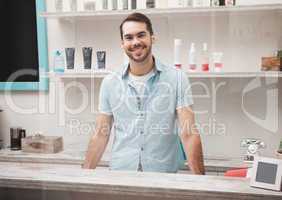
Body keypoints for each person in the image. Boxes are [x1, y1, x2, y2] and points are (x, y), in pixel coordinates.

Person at [83, 12, 205, 174]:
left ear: (152, 38)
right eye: (129, 37)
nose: (135, 42)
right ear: (122, 44)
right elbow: (100, 134)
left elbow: (188, 133)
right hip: (121, 174)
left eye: (141, 35)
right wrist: (84, 175)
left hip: (162, 176)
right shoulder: (110, 82)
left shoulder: (177, 78)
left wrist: (201, 181)